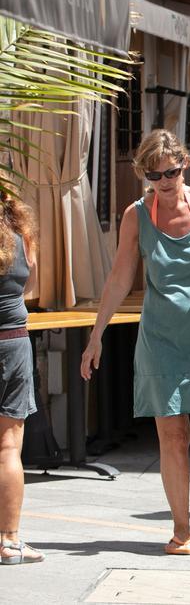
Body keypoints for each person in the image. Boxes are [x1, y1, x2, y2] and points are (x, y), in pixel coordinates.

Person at [82, 129, 190, 555]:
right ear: (144, 175)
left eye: (171, 172)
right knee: (172, 435)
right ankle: (180, 527)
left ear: (184, 165)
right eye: (154, 176)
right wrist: (96, 334)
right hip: (159, 336)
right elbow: (120, 277)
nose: (164, 182)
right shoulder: (136, 215)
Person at [0, 191, 39, 565]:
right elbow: (30, 287)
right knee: (9, 448)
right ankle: (9, 542)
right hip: (13, 343)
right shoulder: (22, 236)